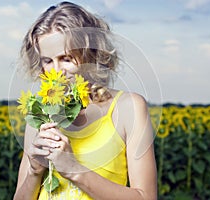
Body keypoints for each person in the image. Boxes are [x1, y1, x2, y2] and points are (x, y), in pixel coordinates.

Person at [13, 1, 157, 199]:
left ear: (91, 55)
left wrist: (73, 170)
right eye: (47, 61)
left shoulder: (128, 108)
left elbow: (146, 197)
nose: (56, 71)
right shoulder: (40, 114)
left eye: (66, 58)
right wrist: (34, 171)